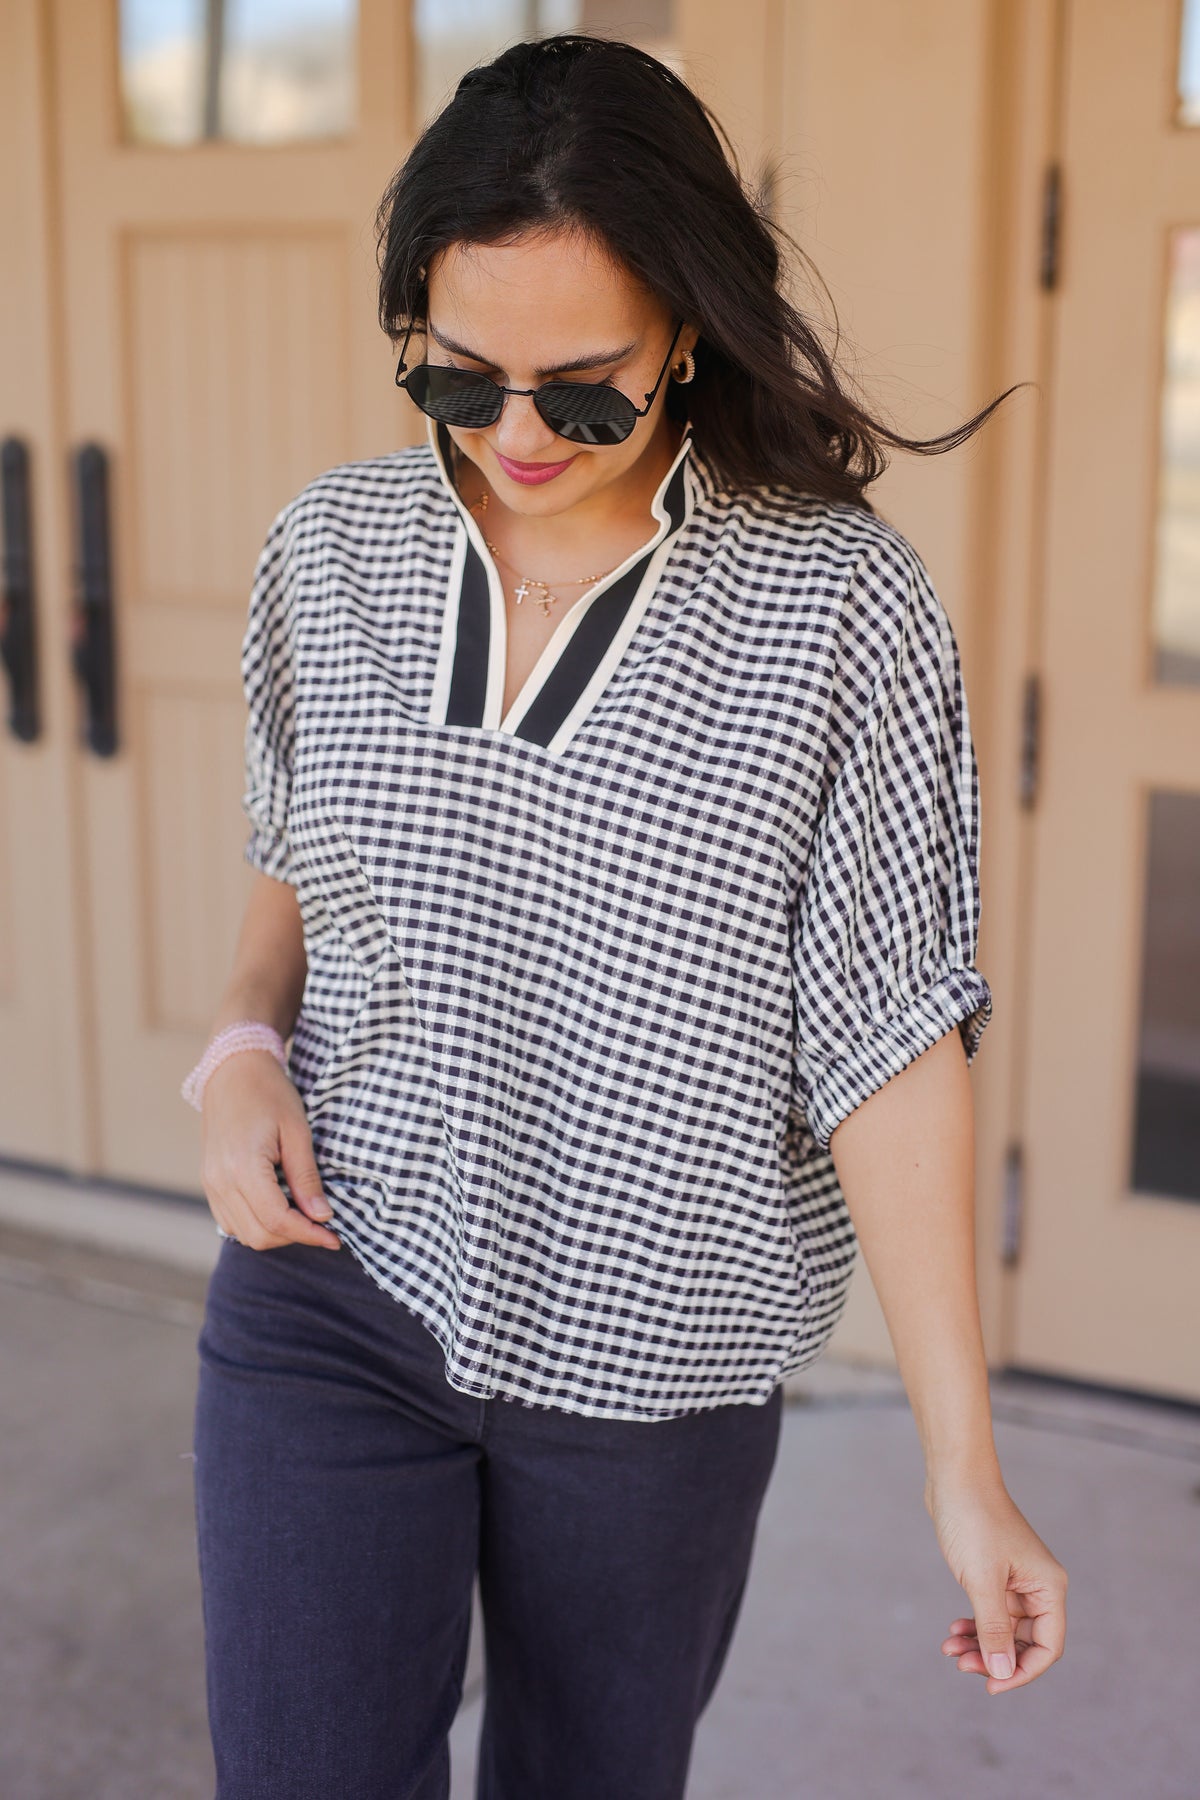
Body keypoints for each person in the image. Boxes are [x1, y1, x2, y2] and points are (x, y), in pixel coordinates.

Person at [183, 32, 1067, 1800]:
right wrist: (241, 1048)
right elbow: (300, 853)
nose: (516, 438)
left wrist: (961, 1465)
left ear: (684, 333)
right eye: (459, 379)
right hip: (335, 1281)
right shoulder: (328, 552)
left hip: (661, 1355)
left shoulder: (838, 609)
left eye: (583, 393)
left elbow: (889, 1040)